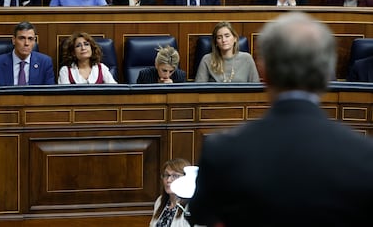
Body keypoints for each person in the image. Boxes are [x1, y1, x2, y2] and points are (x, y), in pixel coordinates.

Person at [189, 12, 373, 226]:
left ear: (264, 72)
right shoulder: (364, 156)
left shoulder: (221, 151)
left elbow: (202, 215)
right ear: (326, 75)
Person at [0, 21, 55, 108]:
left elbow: (51, 96)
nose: (26, 43)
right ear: (14, 40)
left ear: (34, 41)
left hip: (34, 113)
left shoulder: (45, 62)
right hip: (6, 112)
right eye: (22, 38)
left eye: (30, 39)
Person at [195, 22, 260, 83]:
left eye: (227, 36)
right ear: (216, 42)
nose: (224, 40)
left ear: (235, 38)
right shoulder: (207, 59)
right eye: (219, 37)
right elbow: (198, 89)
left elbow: (256, 89)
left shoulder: (247, 58)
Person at [149, 158, 192, 227]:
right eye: (166, 175)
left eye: (175, 176)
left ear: (186, 178)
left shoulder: (192, 205)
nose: (168, 180)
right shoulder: (160, 201)